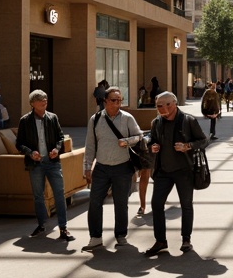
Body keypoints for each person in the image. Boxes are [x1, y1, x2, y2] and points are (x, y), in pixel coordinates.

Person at [144, 91, 208, 256]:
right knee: (157, 204)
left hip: (184, 170)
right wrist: (152, 147)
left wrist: (187, 146)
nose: (163, 108)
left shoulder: (188, 120)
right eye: (159, 105)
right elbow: (151, 140)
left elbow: (203, 140)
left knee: (186, 205)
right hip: (163, 171)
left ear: (175, 104)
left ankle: (186, 239)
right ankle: (160, 241)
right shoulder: (156, 122)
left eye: (167, 104)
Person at [83, 87, 144, 251]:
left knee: (121, 203)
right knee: (95, 202)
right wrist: (87, 167)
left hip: (122, 167)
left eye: (119, 100)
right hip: (101, 168)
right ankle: (95, 237)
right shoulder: (95, 119)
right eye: (113, 100)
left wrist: (127, 141)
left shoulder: (127, 118)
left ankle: (121, 235)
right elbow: (90, 146)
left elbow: (140, 137)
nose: (117, 104)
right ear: (105, 102)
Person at [15, 90, 74, 241]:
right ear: (32, 103)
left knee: (59, 194)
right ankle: (41, 225)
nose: (44, 102)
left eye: (46, 99)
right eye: (41, 100)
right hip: (35, 164)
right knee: (38, 196)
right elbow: (19, 143)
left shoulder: (52, 118)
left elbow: (60, 137)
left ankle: (63, 227)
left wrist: (56, 149)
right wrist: (30, 152)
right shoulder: (25, 121)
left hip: (52, 162)